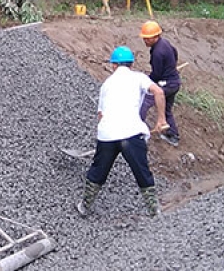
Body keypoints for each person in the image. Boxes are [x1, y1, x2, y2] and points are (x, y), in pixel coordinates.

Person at [77, 46, 168, 218]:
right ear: (131, 64)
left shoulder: (106, 85)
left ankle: (85, 206)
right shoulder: (138, 78)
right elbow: (159, 91)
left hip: (107, 135)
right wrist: (161, 119)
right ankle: (154, 210)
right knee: (142, 171)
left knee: (98, 171)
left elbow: (101, 114)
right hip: (131, 132)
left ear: (113, 65)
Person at [138, 20, 181, 147]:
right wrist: (171, 67)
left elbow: (156, 74)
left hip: (166, 84)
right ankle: (173, 135)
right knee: (166, 108)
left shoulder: (157, 52)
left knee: (145, 102)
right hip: (174, 82)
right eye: (144, 38)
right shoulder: (165, 43)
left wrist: (147, 81)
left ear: (156, 36)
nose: (145, 41)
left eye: (148, 38)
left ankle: (135, 131)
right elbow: (175, 52)